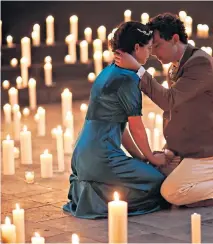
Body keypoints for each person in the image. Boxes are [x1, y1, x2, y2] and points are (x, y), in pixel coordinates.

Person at [114, 13, 213, 207]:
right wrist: (170, 152)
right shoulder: (175, 67)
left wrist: (138, 70)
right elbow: (180, 114)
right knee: (158, 175)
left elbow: (169, 102)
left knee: (172, 192)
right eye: (150, 47)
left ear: (175, 39)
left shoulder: (200, 63)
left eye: (157, 45)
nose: (152, 52)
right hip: (200, 146)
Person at [63, 21, 169, 219]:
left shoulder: (108, 71)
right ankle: (98, 200)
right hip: (101, 156)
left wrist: (139, 156)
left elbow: (120, 127)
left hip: (81, 154)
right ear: (136, 48)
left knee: (141, 172)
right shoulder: (128, 79)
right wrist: (153, 158)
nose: (150, 54)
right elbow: (136, 127)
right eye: (147, 48)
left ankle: (91, 189)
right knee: (158, 182)